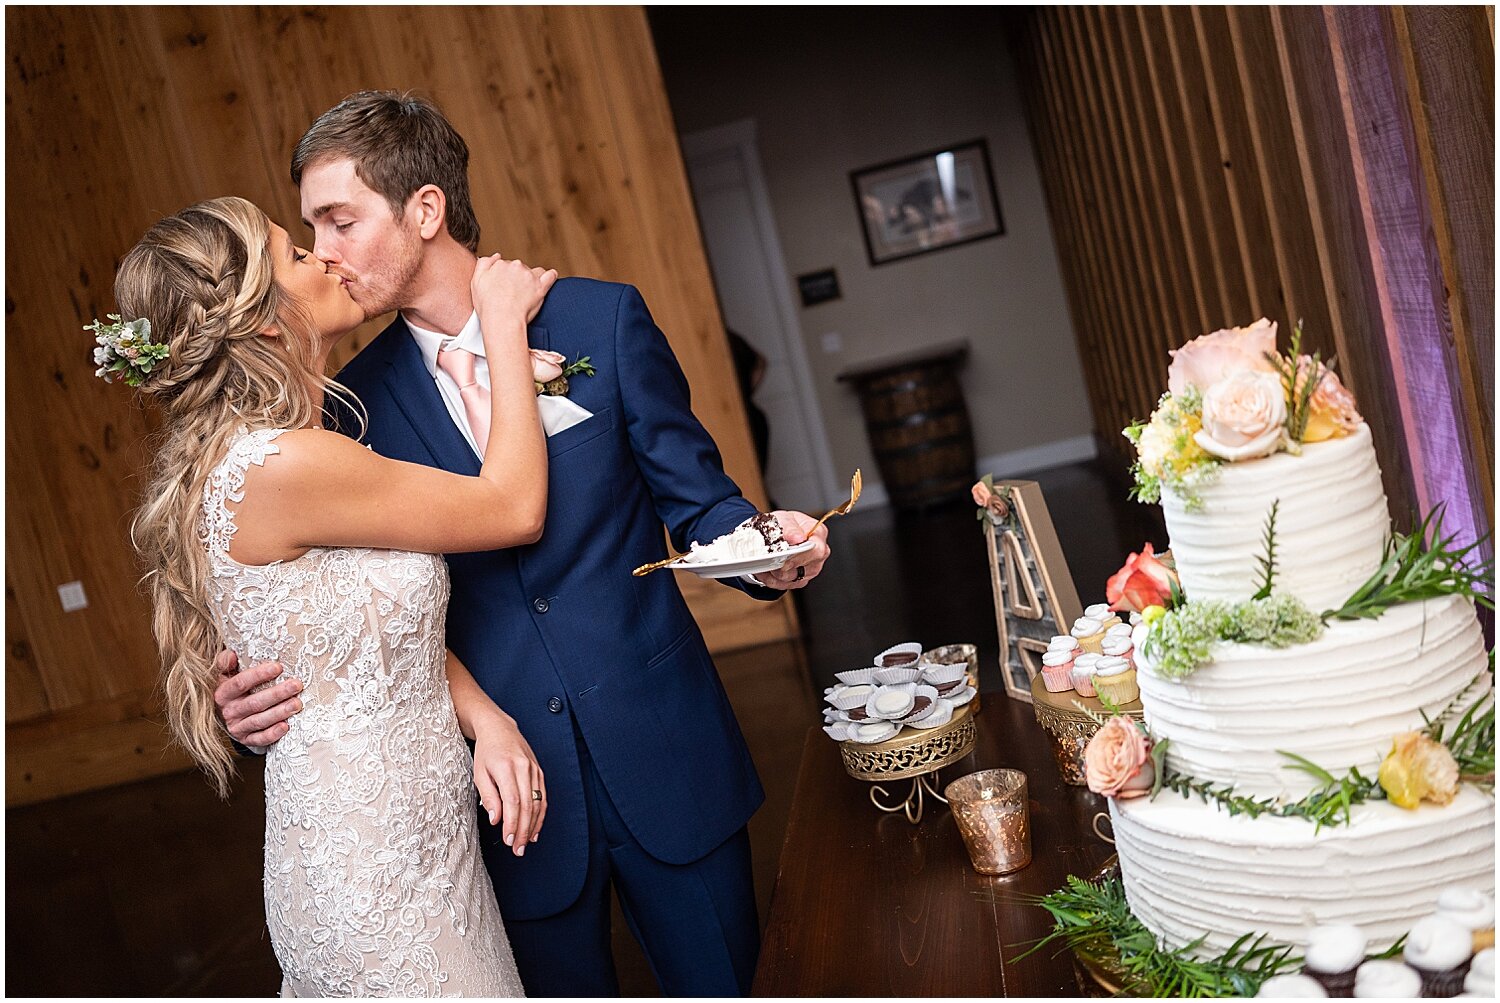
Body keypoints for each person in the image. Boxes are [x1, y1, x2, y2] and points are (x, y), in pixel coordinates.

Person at [213, 91, 831, 996]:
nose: (324, 255)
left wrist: (762, 547)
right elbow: (328, 599)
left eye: (340, 221)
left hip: (665, 749)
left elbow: (702, 506)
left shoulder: (601, 322)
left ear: (425, 209)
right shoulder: (347, 410)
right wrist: (257, 685)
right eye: (310, 229)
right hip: (506, 802)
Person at [113, 195, 558, 996]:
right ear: (268, 322)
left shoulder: (289, 452)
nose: (322, 256)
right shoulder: (285, 465)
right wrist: (502, 323)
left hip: (427, 852)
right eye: (293, 255)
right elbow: (514, 508)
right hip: (370, 880)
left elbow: (367, 632)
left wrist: (486, 719)